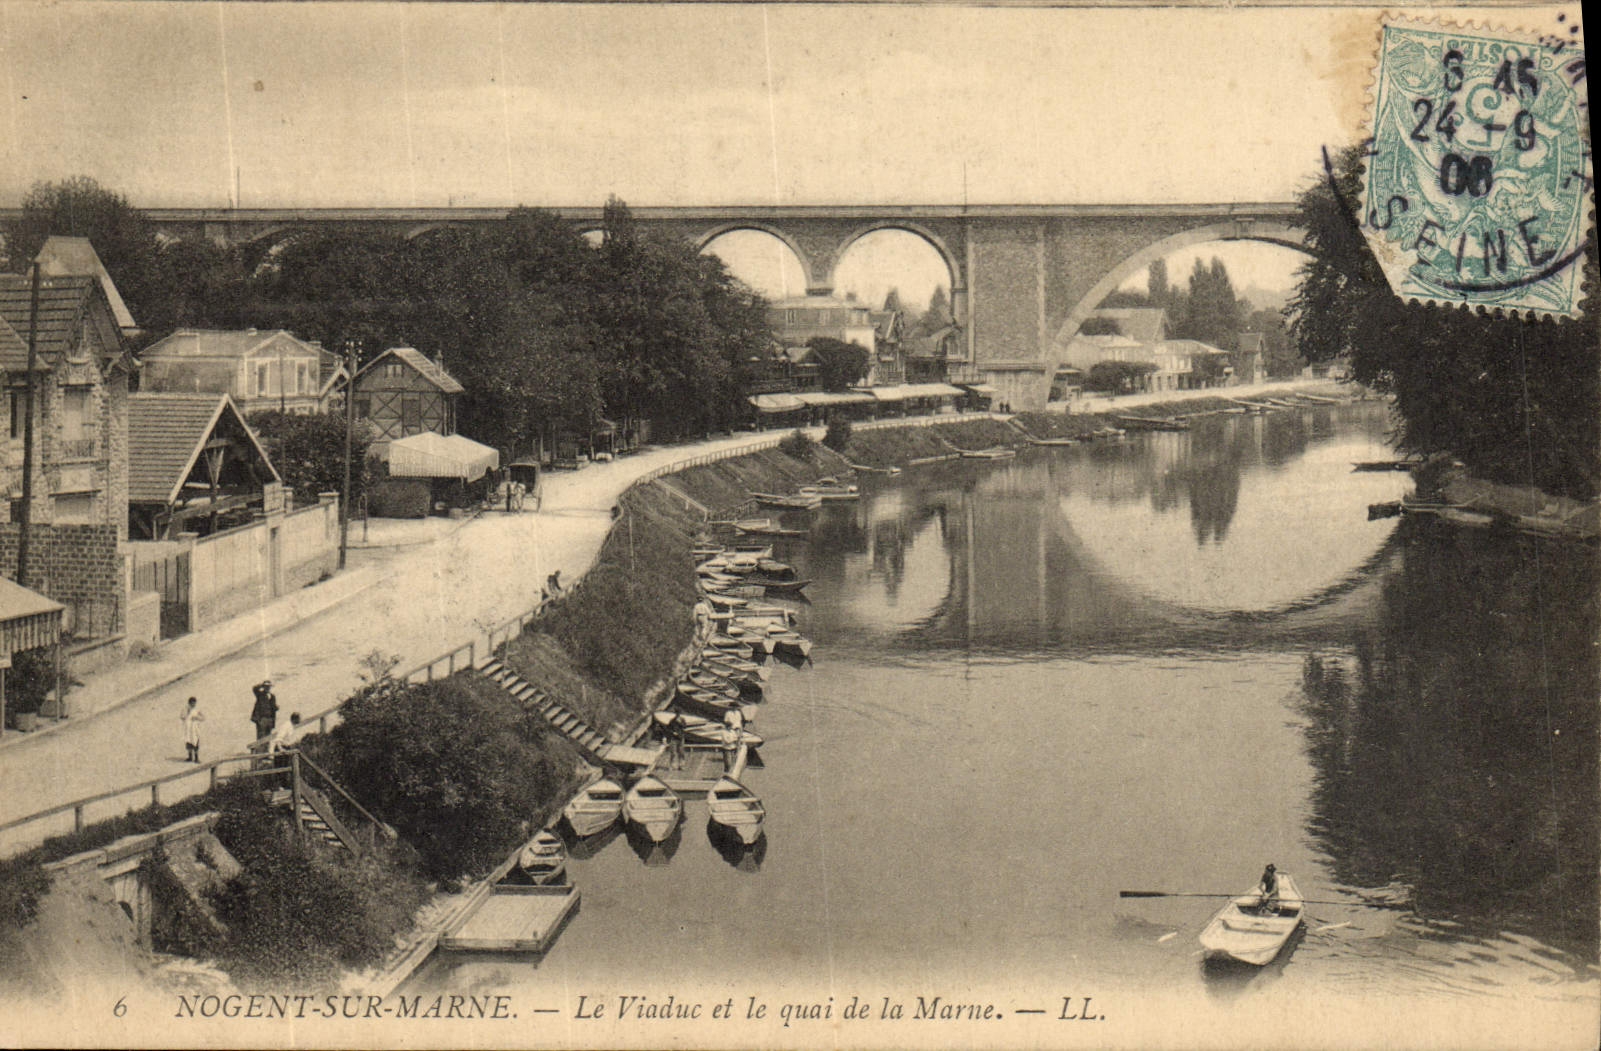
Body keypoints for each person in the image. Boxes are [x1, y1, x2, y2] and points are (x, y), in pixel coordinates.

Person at [180, 697, 205, 763]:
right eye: (192, 703)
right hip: (188, 728)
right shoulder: (185, 709)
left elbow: (203, 718)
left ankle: (196, 758)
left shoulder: (197, 709)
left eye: (194, 703)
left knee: (196, 742)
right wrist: (187, 714)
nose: (193, 705)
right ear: (189, 703)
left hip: (195, 729)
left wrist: (197, 718)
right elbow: (182, 717)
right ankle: (190, 757)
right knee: (188, 742)